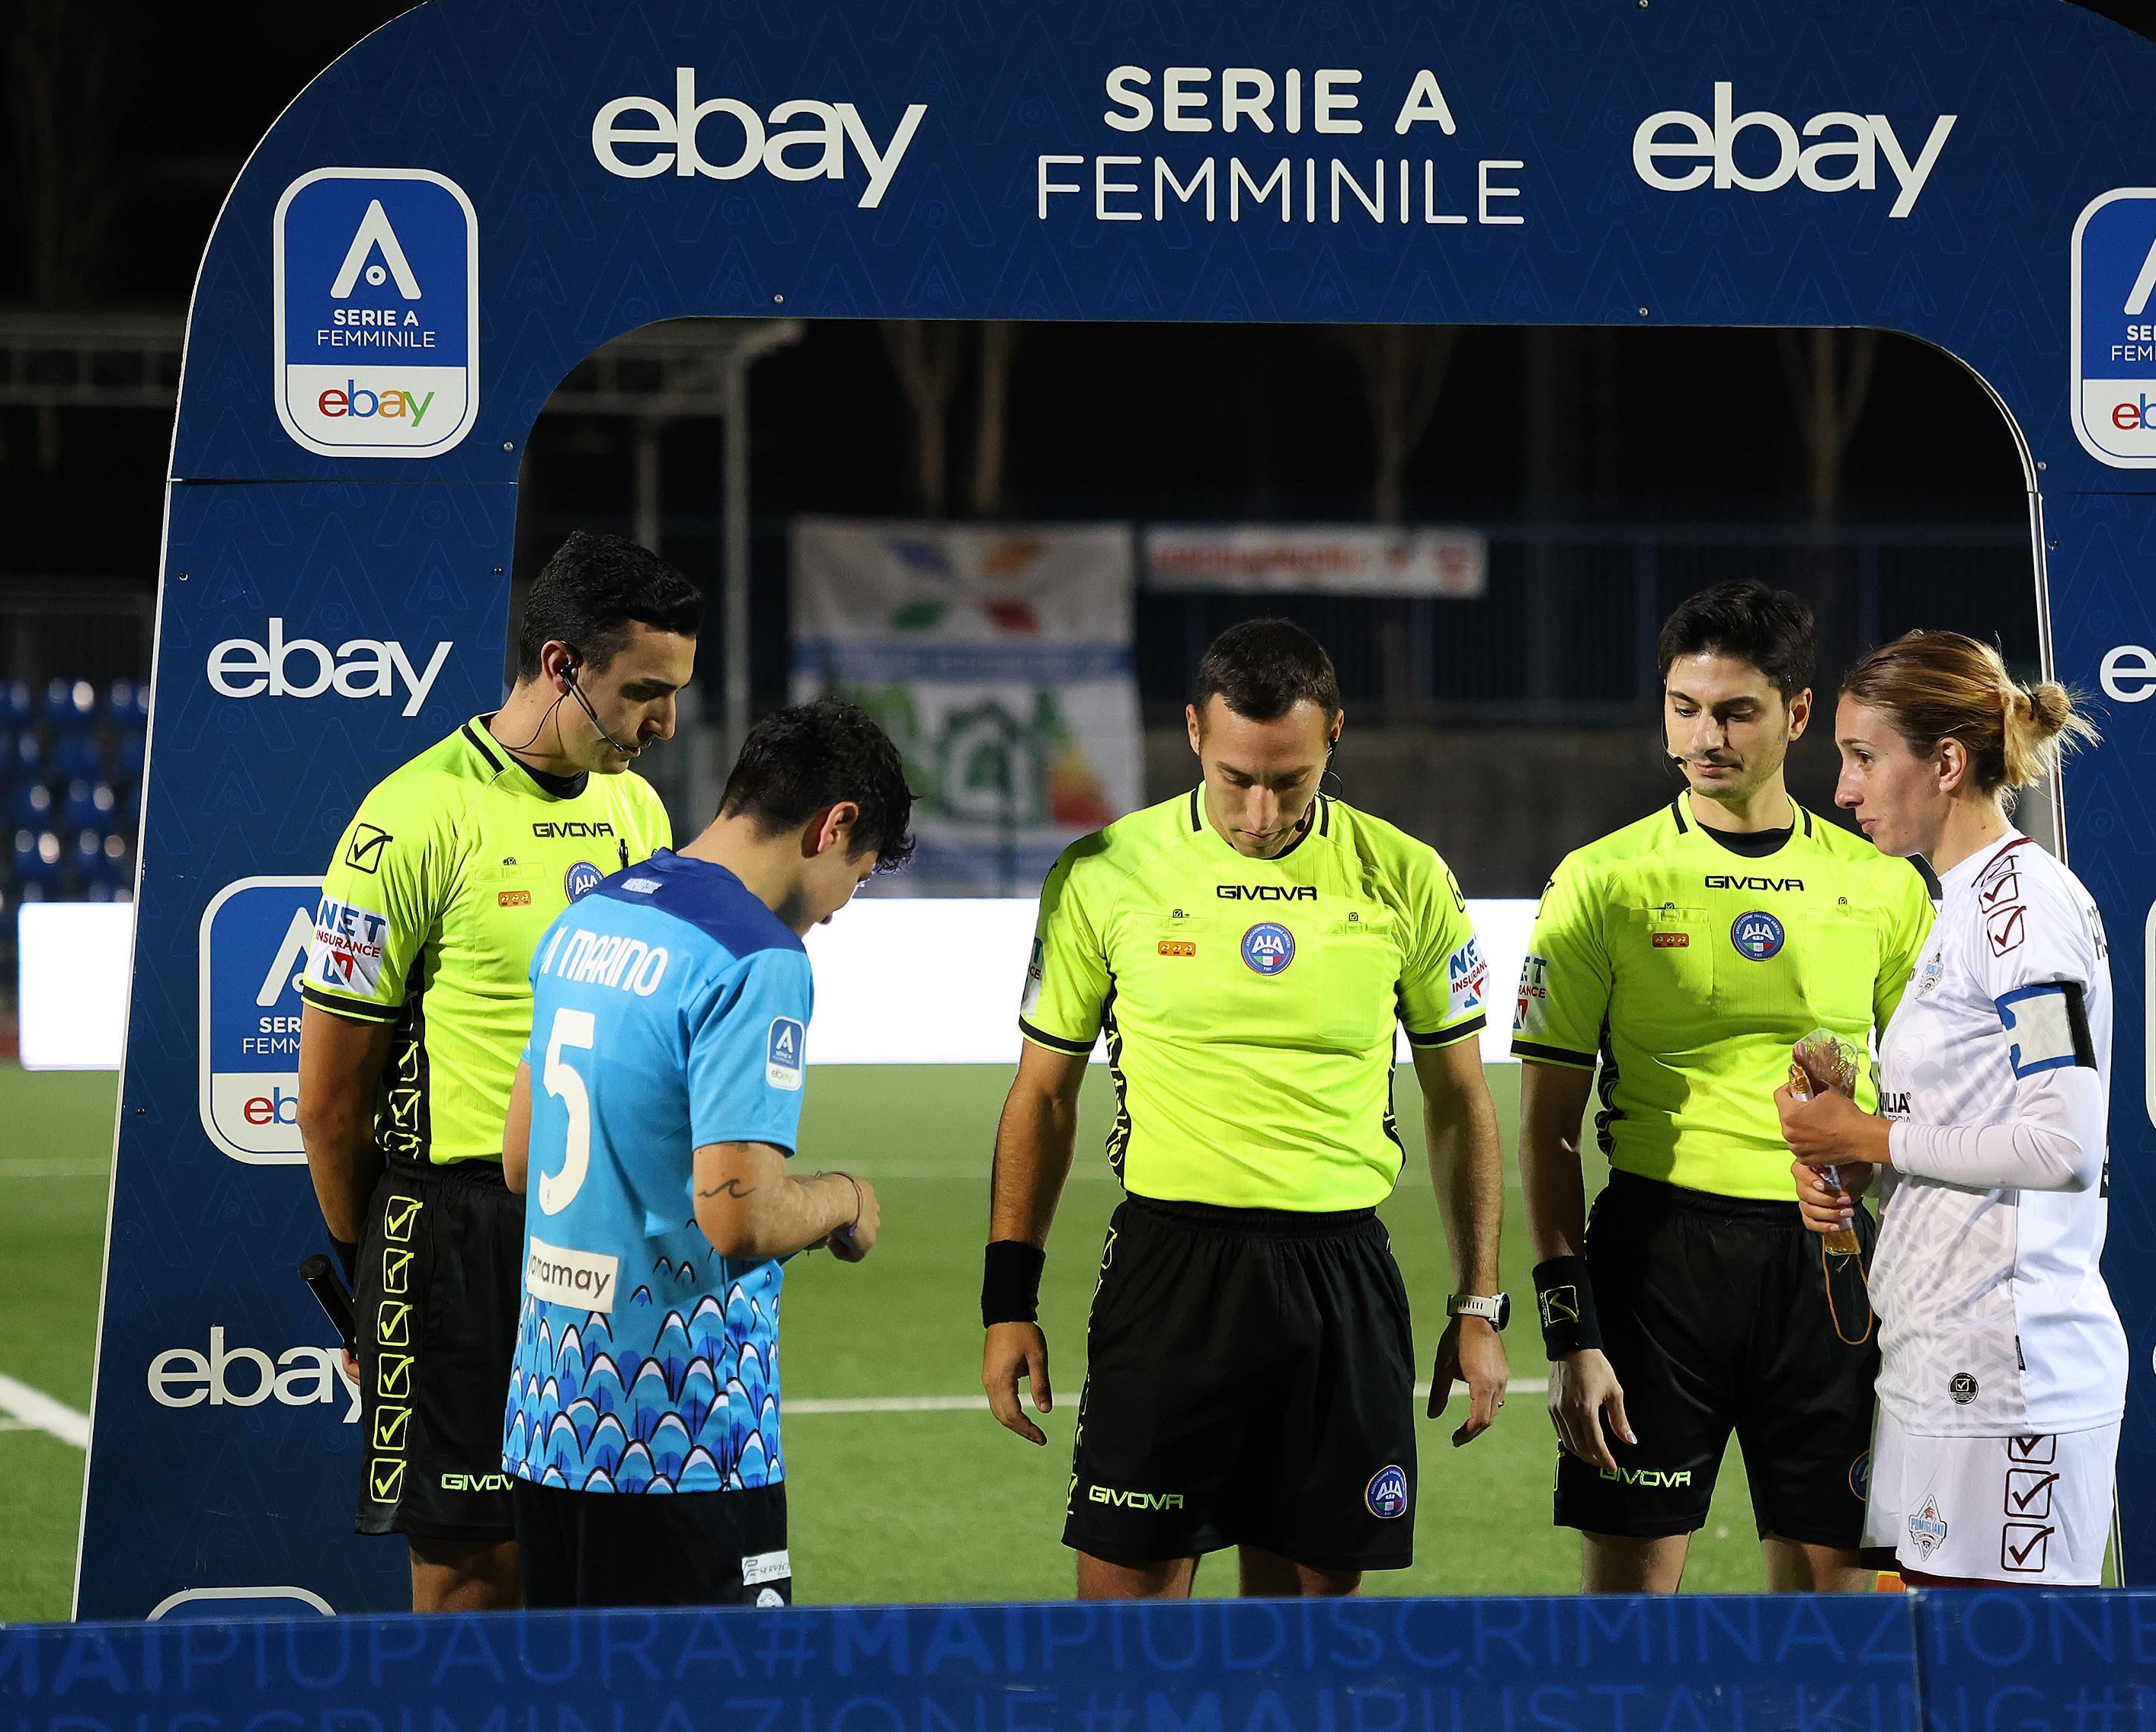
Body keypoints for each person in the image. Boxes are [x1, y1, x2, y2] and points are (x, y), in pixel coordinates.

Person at [980, 618, 1510, 1600]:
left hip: (1340, 1279)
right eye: (1237, 778)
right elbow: (1043, 1097)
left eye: (1291, 780)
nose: (1261, 811)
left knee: (1302, 1651)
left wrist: (1478, 1301)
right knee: (1125, 1642)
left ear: (1336, 736)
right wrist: (1007, 1300)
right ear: (1191, 732)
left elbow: (1460, 1099)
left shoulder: (1409, 877)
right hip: (1171, 1274)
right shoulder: (1103, 872)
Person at [296, 530, 698, 1612]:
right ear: (562, 664)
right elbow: (330, 1103)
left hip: (607, 1231)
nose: (666, 722)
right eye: (646, 691)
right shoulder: (411, 816)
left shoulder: (638, 812)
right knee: (476, 1572)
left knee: (609, 1559)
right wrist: (365, 1275)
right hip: (456, 1236)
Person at [1513, 580, 1933, 1596]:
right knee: (1624, 1628)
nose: (1703, 736)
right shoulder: (1597, 882)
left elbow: (1926, 1111)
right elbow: (1543, 1133)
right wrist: (1570, 1330)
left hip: (1830, 1268)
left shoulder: (1879, 883)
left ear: (1795, 715)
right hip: (1656, 1268)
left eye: (1735, 711)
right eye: (1682, 707)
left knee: (1830, 1623)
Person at [497, 699, 913, 1607]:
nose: (843, 907)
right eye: (862, 873)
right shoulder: (755, 958)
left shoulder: (589, 915)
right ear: (833, 826)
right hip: (685, 1439)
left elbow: (522, 1164)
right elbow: (742, 1214)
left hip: (550, 1421)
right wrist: (843, 1196)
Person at [1778, 629, 2124, 1588]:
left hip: (2010, 1382)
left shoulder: (2026, 911)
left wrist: (1871, 1133)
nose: (1843, 789)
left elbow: (2060, 1144)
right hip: (1942, 1370)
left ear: (1945, 762)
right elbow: (1978, 1126)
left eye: (1860, 758)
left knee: (2004, 1690)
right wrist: (1866, 1168)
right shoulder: (1957, 908)